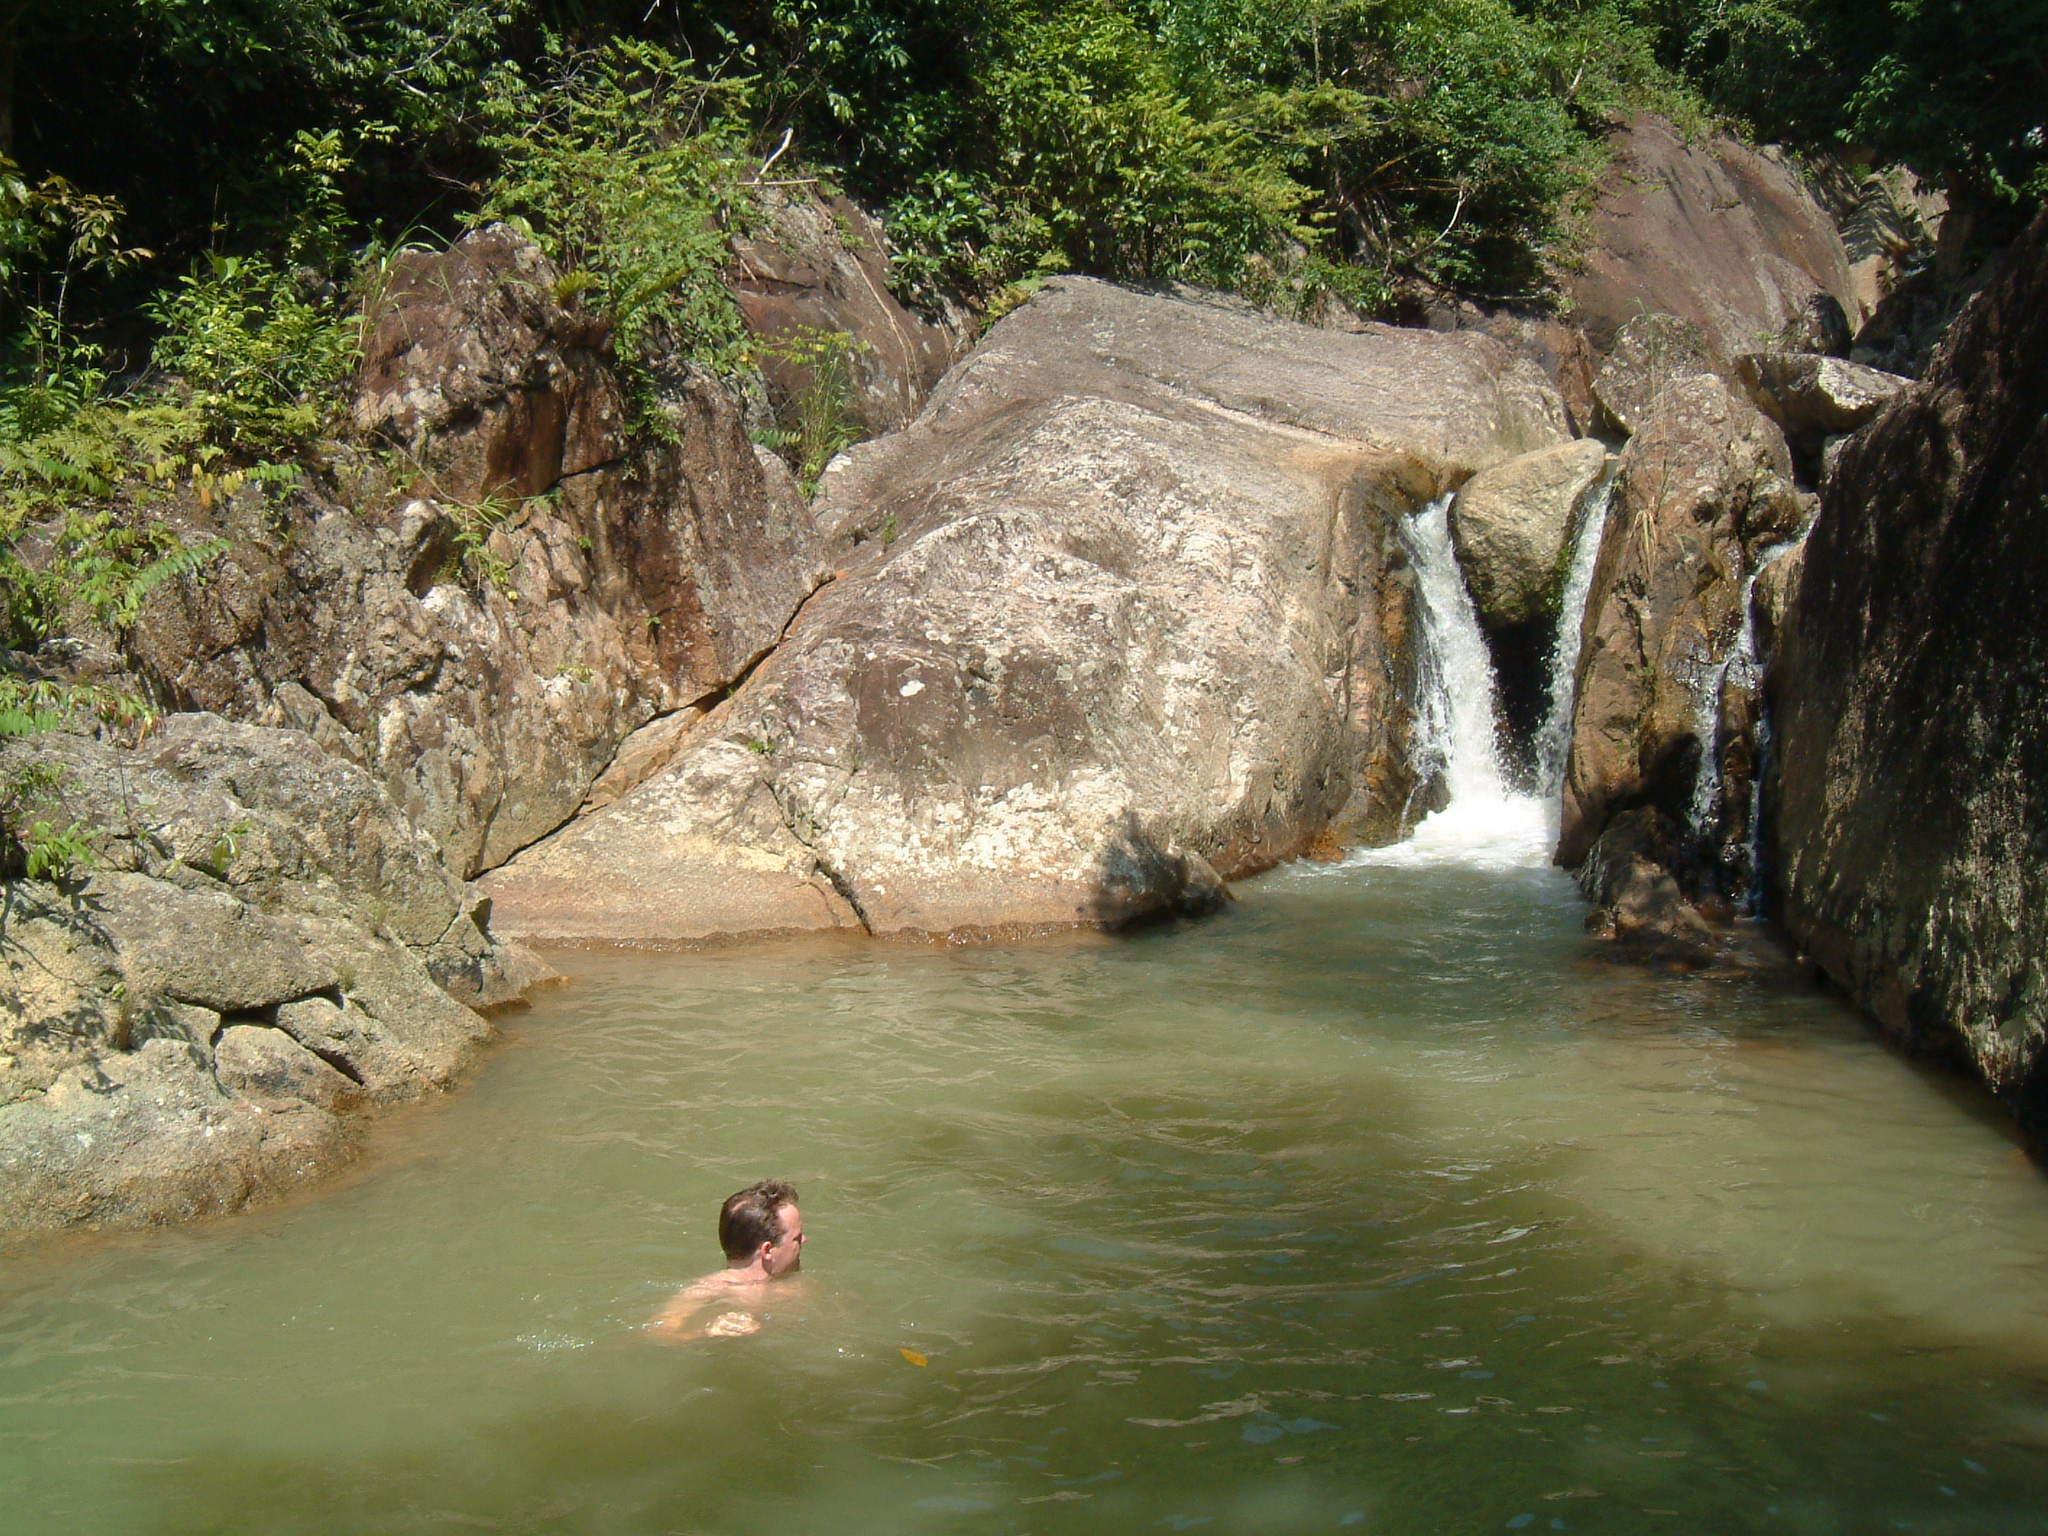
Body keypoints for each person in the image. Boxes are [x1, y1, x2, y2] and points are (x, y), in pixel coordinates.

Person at [647, 1179, 805, 1340]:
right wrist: (707, 1332)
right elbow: (657, 1334)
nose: (804, 1240)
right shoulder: (707, 1291)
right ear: (767, 1250)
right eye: (797, 1238)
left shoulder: (792, 1285)